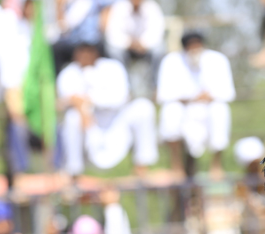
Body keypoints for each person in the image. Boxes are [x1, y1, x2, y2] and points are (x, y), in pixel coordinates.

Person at [57, 41, 157, 181]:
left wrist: (90, 99)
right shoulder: (68, 73)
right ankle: (74, 173)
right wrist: (83, 110)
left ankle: (142, 167)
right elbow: (64, 102)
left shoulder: (113, 67)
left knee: (144, 107)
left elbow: (121, 97)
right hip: (88, 127)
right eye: (81, 51)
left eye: (88, 50)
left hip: (116, 124)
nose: (84, 55)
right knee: (72, 118)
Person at [157, 31, 235, 177]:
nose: (194, 49)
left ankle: (216, 166)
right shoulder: (171, 61)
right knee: (170, 111)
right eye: (190, 45)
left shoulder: (217, 59)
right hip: (184, 111)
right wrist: (191, 98)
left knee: (220, 110)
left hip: (207, 111)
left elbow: (227, 93)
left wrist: (207, 97)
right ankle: (176, 167)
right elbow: (164, 95)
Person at [103, 0, 165, 99]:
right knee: (114, 51)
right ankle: (125, 88)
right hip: (125, 48)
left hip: (145, 48)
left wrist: (143, 43)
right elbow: (113, 34)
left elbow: (157, 32)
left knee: (159, 50)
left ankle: (155, 87)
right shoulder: (119, 7)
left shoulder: (152, 7)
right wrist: (129, 43)